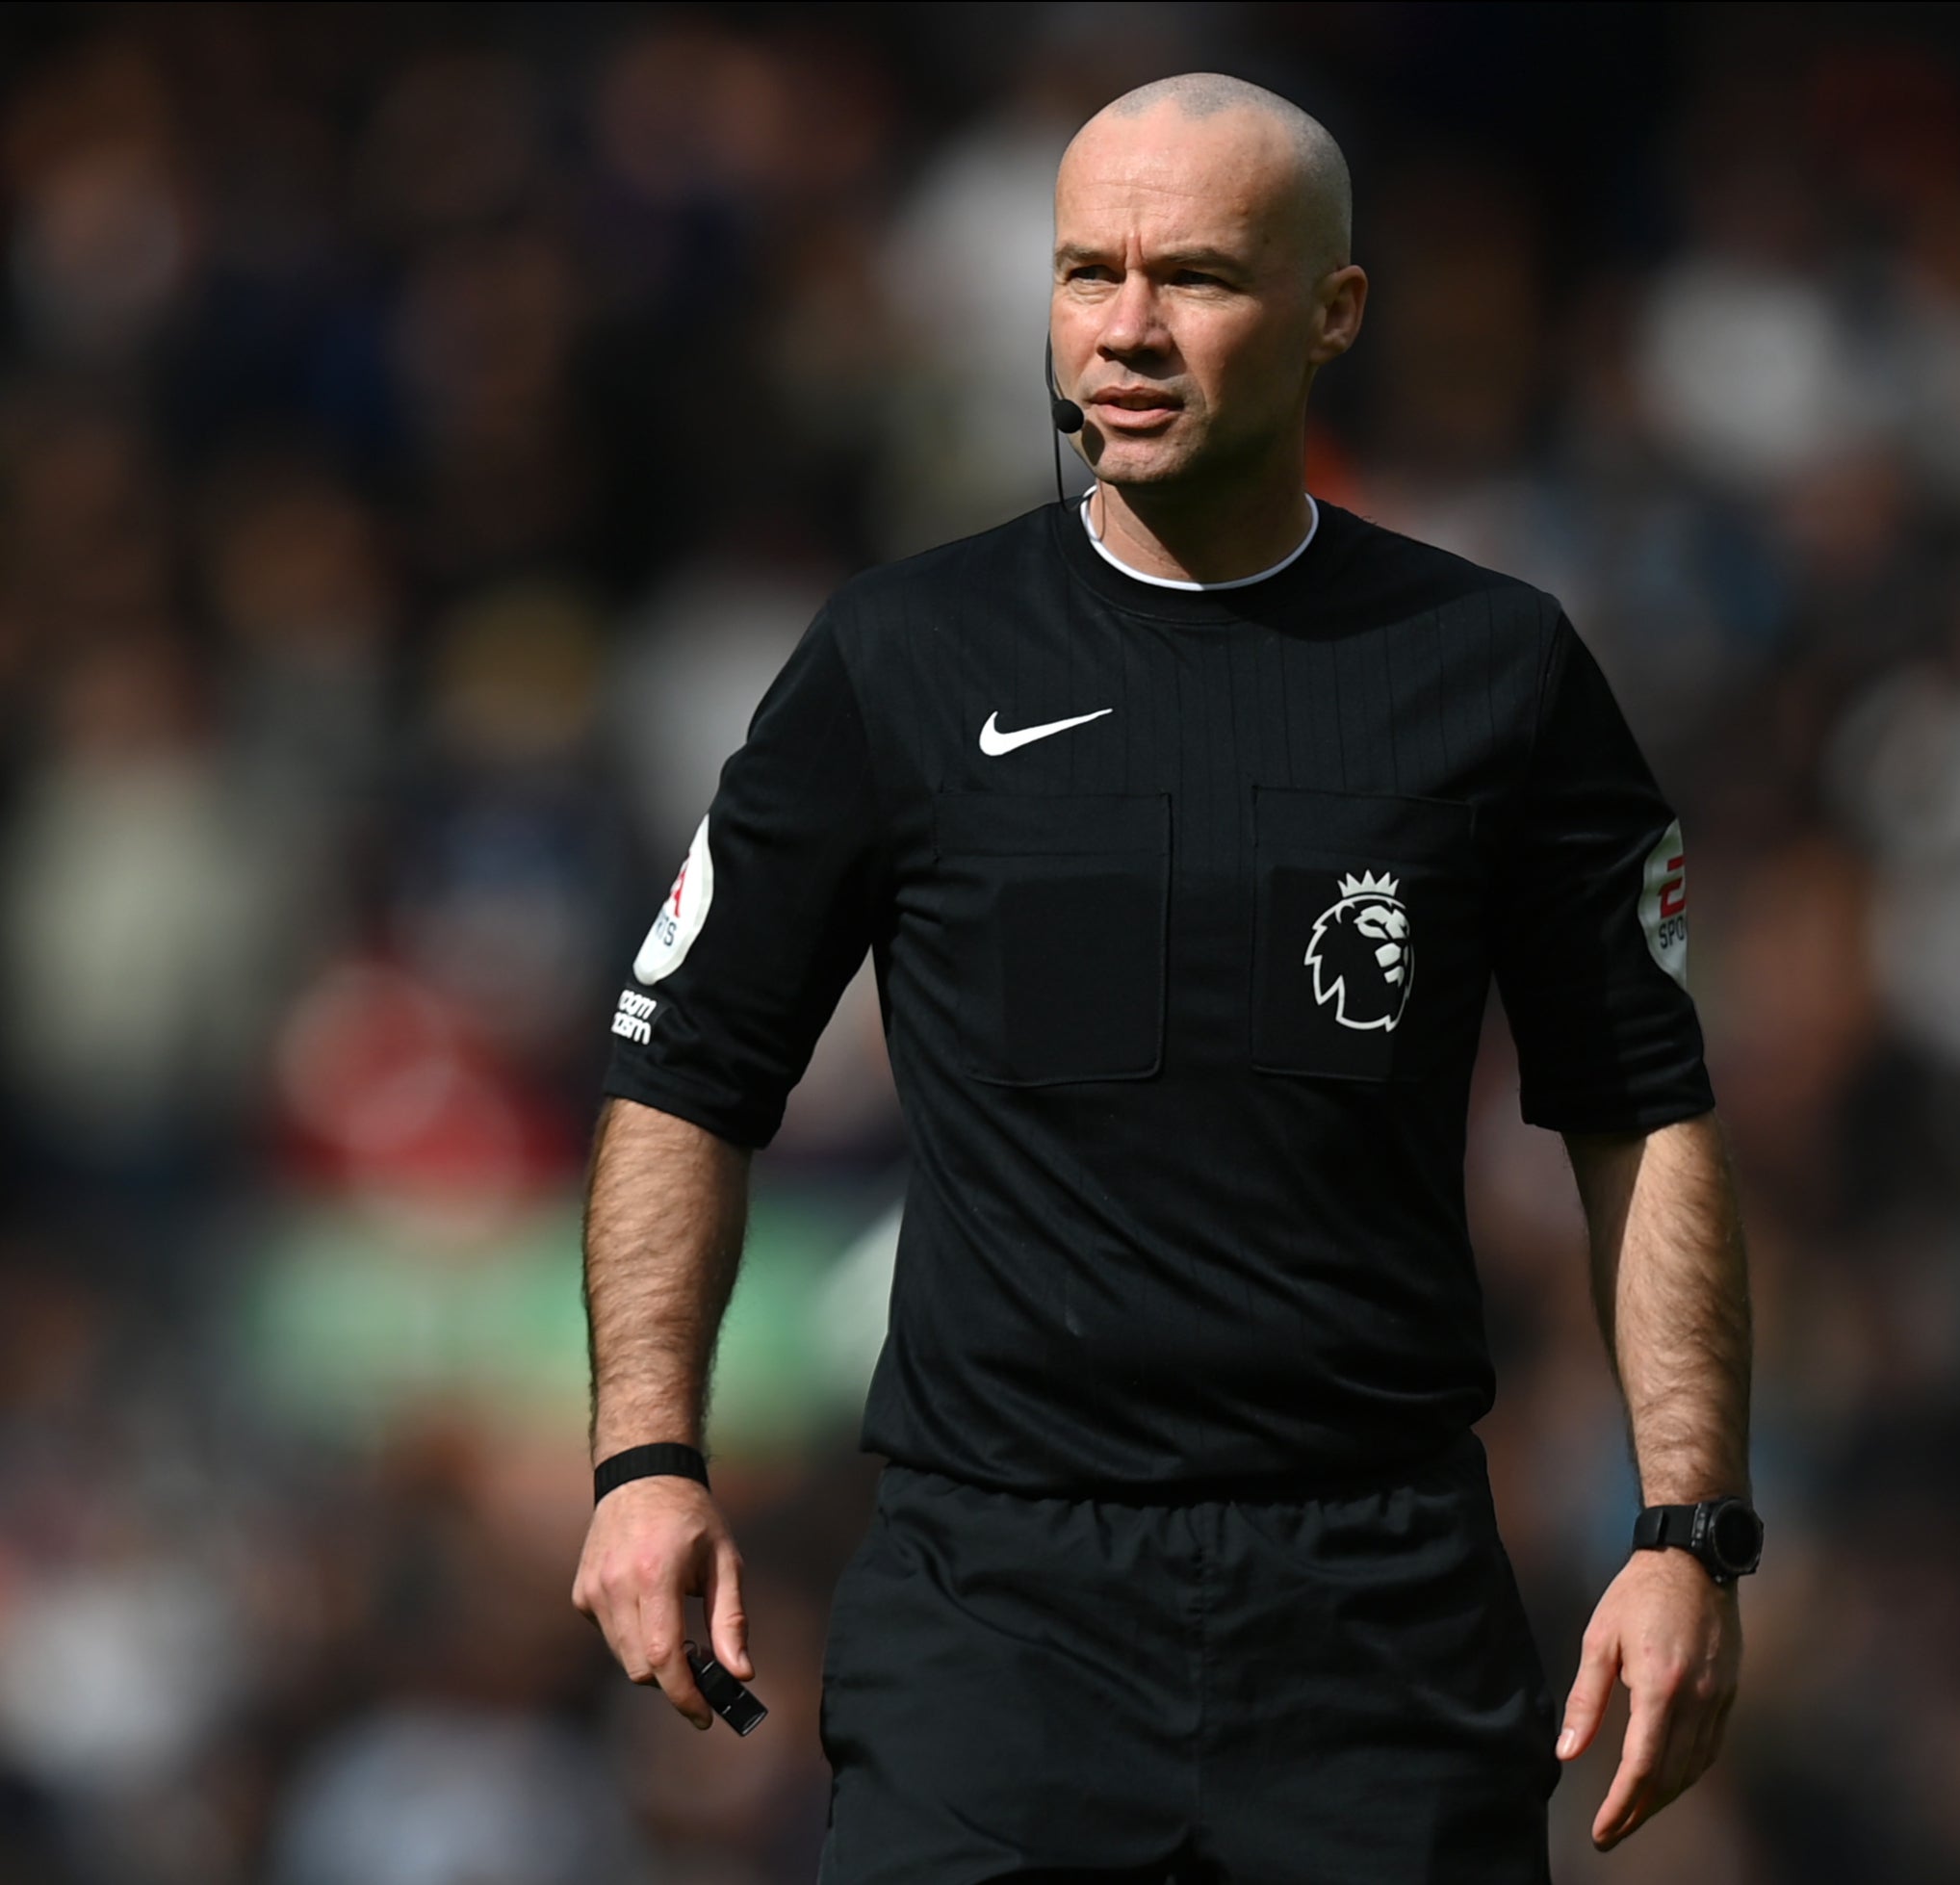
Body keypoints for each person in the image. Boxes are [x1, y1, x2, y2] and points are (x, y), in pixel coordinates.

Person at [572, 71, 1756, 1883]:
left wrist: (1688, 1525)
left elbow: (1643, 1111)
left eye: (1194, 275)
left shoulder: (1491, 668)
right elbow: (684, 1072)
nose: (1125, 327)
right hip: (998, 1605)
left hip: (1375, 1609)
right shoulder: (899, 659)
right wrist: (643, 1459)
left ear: (1333, 313)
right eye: (1086, 272)